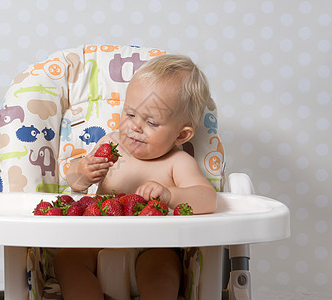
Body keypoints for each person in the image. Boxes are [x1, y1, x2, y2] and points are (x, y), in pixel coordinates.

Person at [54, 54, 218, 300]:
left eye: (151, 122)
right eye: (130, 115)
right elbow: (74, 182)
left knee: (163, 272)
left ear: (181, 136)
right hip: (100, 239)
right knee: (66, 259)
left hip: (153, 246)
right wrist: (83, 171)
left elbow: (209, 199)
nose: (135, 127)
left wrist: (170, 195)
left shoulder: (178, 163)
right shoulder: (111, 143)